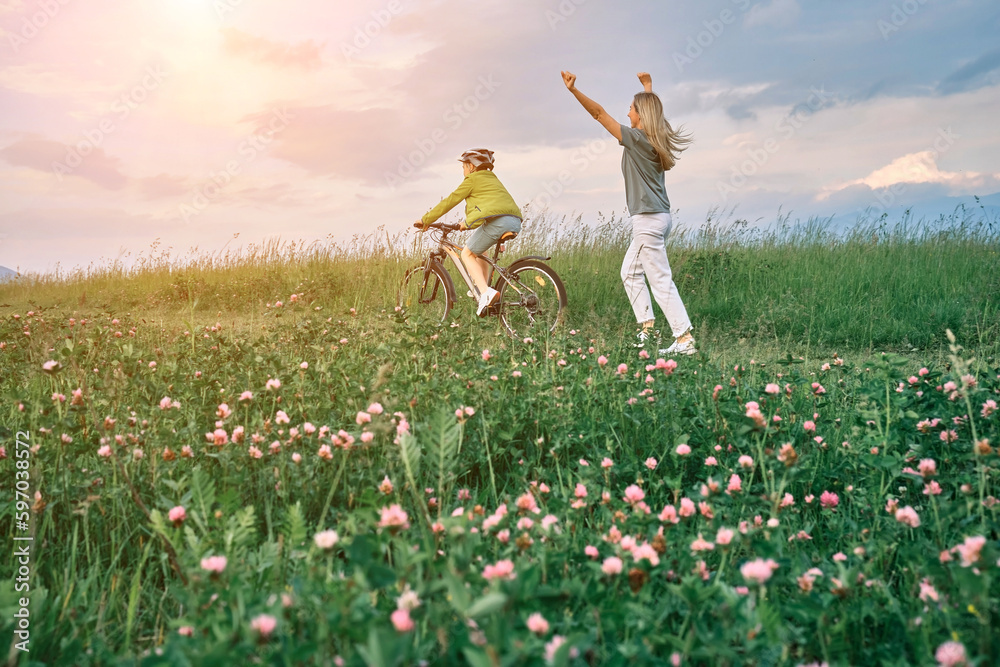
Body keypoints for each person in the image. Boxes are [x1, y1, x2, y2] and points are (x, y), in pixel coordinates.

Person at [561, 70, 697, 355]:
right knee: (630, 272)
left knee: (660, 279)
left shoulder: (635, 138)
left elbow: (599, 113)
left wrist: (574, 91)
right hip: (656, 217)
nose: (627, 112)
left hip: (648, 220)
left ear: (639, 115)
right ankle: (648, 328)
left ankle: (684, 339)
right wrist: (647, 86)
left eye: (631, 109)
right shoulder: (655, 138)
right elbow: (653, 112)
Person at [415, 149, 523, 316]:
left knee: (467, 254)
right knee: (480, 250)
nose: (463, 171)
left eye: (464, 167)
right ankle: (484, 289)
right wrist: (465, 223)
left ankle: (485, 294)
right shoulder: (492, 179)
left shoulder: (472, 179)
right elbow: (490, 205)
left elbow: (450, 200)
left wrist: (426, 220)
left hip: (498, 222)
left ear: (472, 166)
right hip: (514, 221)